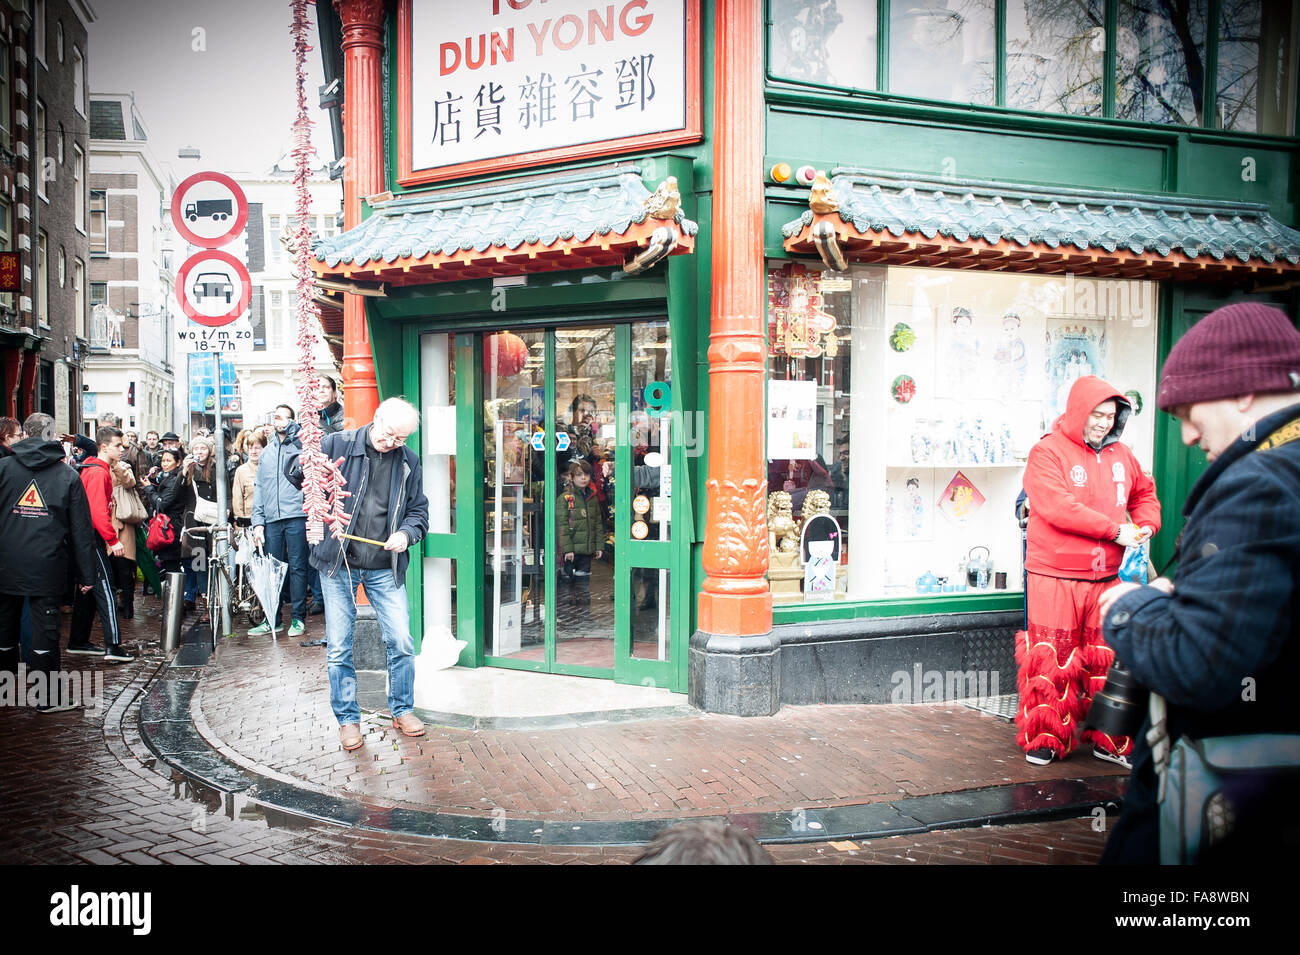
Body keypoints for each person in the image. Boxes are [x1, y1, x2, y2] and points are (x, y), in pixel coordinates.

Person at [1097, 302, 1300, 864]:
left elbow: (1202, 663)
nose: (1186, 435)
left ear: (1242, 391)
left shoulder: (1259, 483)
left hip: (1220, 814)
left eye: (1188, 411)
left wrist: (1130, 609)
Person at [1017, 375, 1161, 767]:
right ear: (1078, 411)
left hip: (1107, 576)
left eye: (1110, 416)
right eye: (1096, 414)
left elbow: (1144, 494)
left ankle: (1108, 740)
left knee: (1106, 658)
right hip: (1054, 573)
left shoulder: (1123, 456)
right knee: (1053, 656)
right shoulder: (1046, 452)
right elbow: (1057, 506)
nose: (1102, 422)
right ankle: (1045, 738)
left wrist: (1147, 523)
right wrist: (1116, 530)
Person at [286, 397, 429, 752]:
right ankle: (348, 720)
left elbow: (419, 512)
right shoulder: (339, 443)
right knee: (339, 646)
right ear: (376, 417)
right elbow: (295, 473)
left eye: (400, 439)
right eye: (388, 434)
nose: (391, 443)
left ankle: (402, 708)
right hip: (339, 561)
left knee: (401, 640)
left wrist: (407, 534)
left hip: (384, 564)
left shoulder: (409, 462)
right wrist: (307, 461)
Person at [0, 413, 100, 711]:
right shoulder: (67, 475)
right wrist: (87, 575)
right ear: (51, 436)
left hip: (5, 564)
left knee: (3, 629)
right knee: (45, 631)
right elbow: (81, 529)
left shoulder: (3, 469)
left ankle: (5, 692)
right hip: (47, 566)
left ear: (25, 435)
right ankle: (46, 698)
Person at [68, 426, 135, 662]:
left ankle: (78, 640)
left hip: (84, 537)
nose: (122, 450)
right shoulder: (98, 472)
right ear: (104, 447)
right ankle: (113, 646)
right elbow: (97, 512)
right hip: (91, 538)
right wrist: (113, 539)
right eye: (118, 445)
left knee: (88, 590)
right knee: (106, 587)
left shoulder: (93, 468)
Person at [250, 404, 308, 637]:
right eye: (276, 416)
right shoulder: (267, 452)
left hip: (296, 515)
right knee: (272, 570)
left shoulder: (300, 446)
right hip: (272, 518)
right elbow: (260, 487)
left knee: (297, 567)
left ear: (293, 420)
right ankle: (272, 619)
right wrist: (258, 522)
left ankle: (298, 618)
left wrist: (293, 429)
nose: (278, 419)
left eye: (284, 416)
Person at [141, 447, 194, 597]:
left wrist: (149, 488)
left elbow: (162, 502)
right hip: (168, 525)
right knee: (169, 564)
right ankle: (172, 600)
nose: (164, 464)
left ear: (178, 463)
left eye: (168, 461)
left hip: (170, 527)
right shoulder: (167, 477)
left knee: (172, 566)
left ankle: (174, 601)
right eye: (163, 460)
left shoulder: (175, 479)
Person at [558, 459, 604, 610]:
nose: (583, 478)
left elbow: (597, 523)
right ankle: (566, 615)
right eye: (579, 475)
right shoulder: (565, 498)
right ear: (571, 477)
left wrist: (598, 546)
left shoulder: (592, 498)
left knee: (583, 584)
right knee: (567, 584)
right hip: (571, 552)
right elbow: (562, 524)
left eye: (586, 475)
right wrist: (567, 549)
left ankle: (584, 615)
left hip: (586, 550)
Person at [109, 446, 143, 620]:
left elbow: (129, 482)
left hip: (123, 523)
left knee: (124, 567)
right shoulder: (99, 468)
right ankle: (111, 605)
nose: (120, 450)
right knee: (109, 568)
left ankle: (128, 606)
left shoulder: (123, 467)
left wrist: (116, 465)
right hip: (106, 523)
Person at [232, 432, 264, 523]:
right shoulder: (241, 471)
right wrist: (240, 522)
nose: (254, 452)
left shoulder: (271, 468)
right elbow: (237, 500)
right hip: (249, 519)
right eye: (251, 448)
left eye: (257, 448)